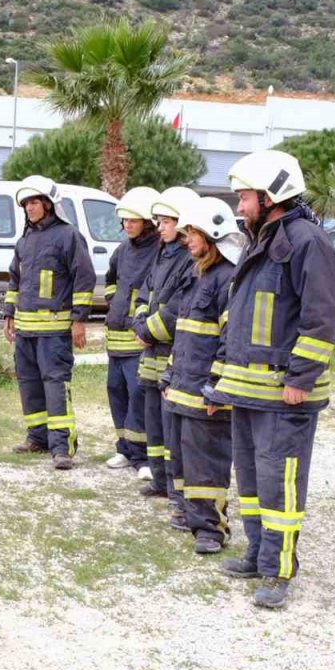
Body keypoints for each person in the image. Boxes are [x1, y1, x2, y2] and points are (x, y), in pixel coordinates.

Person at [211, 149, 335, 609]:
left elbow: (322, 318)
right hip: (248, 393)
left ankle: (278, 569)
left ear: (271, 196)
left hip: (285, 395)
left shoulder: (307, 242)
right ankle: (255, 552)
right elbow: (241, 317)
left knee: (280, 483)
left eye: (245, 196)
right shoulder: (259, 240)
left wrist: (302, 377)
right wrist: (221, 380)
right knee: (249, 479)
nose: (240, 205)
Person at [160, 197, 244, 555]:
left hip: (205, 392)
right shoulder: (198, 277)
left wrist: (218, 387)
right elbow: (184, 333)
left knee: (205, 464)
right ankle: (187, 511)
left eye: (192, 233)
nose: (187, 239)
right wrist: (168, 373)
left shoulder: (227, 280)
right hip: (182, 387)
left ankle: (211, 529)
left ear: (212, 235)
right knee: (181, 458)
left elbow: (231, 341)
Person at [2, 175, 97, 470]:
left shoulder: (69, 236)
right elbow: (14, 279)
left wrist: (79, 320)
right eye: (26, 204)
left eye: (34, 202)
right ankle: (37, 439)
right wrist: (8, 313)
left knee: (55, 387)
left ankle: (61, 449)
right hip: (26, 331)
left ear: (48, 204)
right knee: (29, 385)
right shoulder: (25, 240)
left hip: (55, 331)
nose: (30, 208)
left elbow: (85, 278)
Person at [132, 186, 199, 519]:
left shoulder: (191, 259)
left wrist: (146, 331)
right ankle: (159, 479)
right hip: (151, 357)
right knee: (154, 424)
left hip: (171, 355)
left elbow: (177, 309)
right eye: (158, 221)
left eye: (166, 221)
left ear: (184, 223)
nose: (159, 227)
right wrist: (140, 323)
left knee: (172, 427)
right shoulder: (162, 253)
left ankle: (175, 488)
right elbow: (145, 295)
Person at [102, 186, 161, 474]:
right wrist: (115, 300)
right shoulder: (122, 250)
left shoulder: (160, 250)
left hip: (138, 338)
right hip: (116, 338)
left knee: (140, 396)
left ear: (148, 222)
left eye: (133, 220)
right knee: (117, 391)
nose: (127, 225)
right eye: (125, 220)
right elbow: (111, 279)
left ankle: (144, 457)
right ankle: (124, 448)